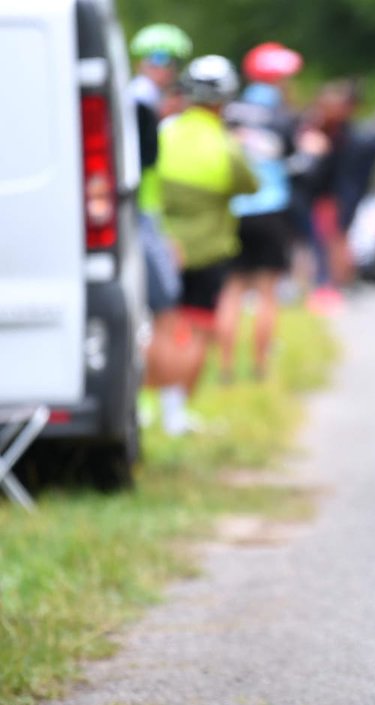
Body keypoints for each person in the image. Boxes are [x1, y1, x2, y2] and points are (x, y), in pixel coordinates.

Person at [158, 55, 259, 425]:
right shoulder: (225, 145)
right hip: (209, 250)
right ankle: (178, 411)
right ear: (224, 99)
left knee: (162, 327)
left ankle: (153, 406)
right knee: (199, 329)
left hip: (164, 247)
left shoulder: (165, 132)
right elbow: (250, 184)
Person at [218, 42, 304, 383]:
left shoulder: (230, 111)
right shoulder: (284, 117)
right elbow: (297, 163)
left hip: (234, 209)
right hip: (271, 209)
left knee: (233, 289)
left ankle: (225, 369)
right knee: (267, 292)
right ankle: (259, 369)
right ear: (279, 79)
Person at [128, 23, 197, 435]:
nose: (164, 69)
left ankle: (153, 406)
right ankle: (168, 411)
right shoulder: (142, 101)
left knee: (152, 315)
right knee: (166, 311)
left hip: (146, 215)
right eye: (157, 59)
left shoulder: (145, 101)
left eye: (168, 61)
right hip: (141, 216)